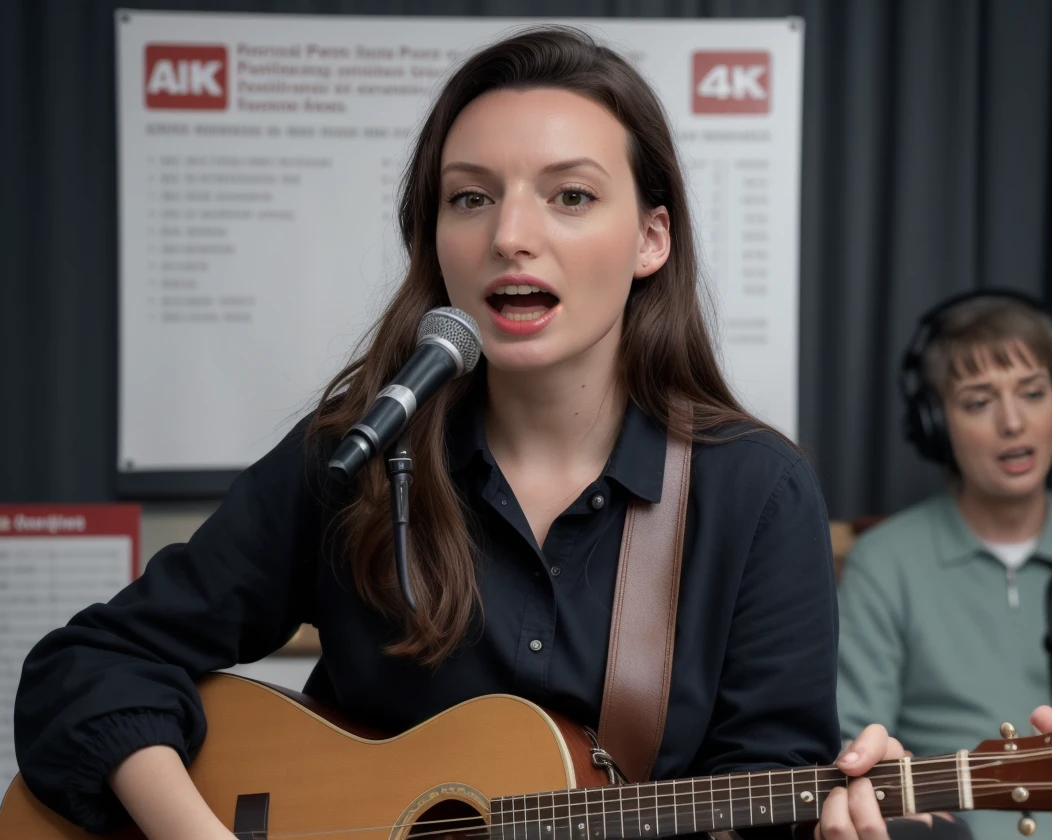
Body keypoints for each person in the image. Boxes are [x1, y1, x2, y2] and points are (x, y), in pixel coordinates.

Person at [17, 26, 945, 840]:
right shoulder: (354, 456)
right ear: (436, 239)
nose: (510, 235)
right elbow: (89, 664)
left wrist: (827, 816)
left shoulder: (757, 492)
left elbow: (765, 787)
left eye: (570, 197)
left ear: (651, 240)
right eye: (470, 198)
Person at [837, 290, 1052, 840]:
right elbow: (850, 747)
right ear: (936, 423)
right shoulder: (884, 564)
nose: (1013, 423)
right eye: (979, 402)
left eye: (1032, 393)